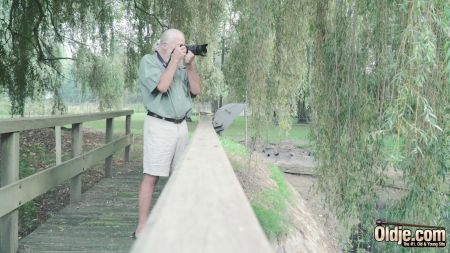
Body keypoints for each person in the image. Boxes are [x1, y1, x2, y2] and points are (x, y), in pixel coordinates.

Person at [133, 28, 201, 239]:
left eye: (184, 45)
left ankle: (177, 222)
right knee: (152, 176)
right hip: (160, 125)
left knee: (180, 177)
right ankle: (142, 227)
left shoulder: (181, 65)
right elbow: (162, 86)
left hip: (181, 127)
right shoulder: (148, 62)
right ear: (164, 45)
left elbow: (196, 90)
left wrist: (189, 65)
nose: (183, 49)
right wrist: (175, 62)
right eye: (178, 45)